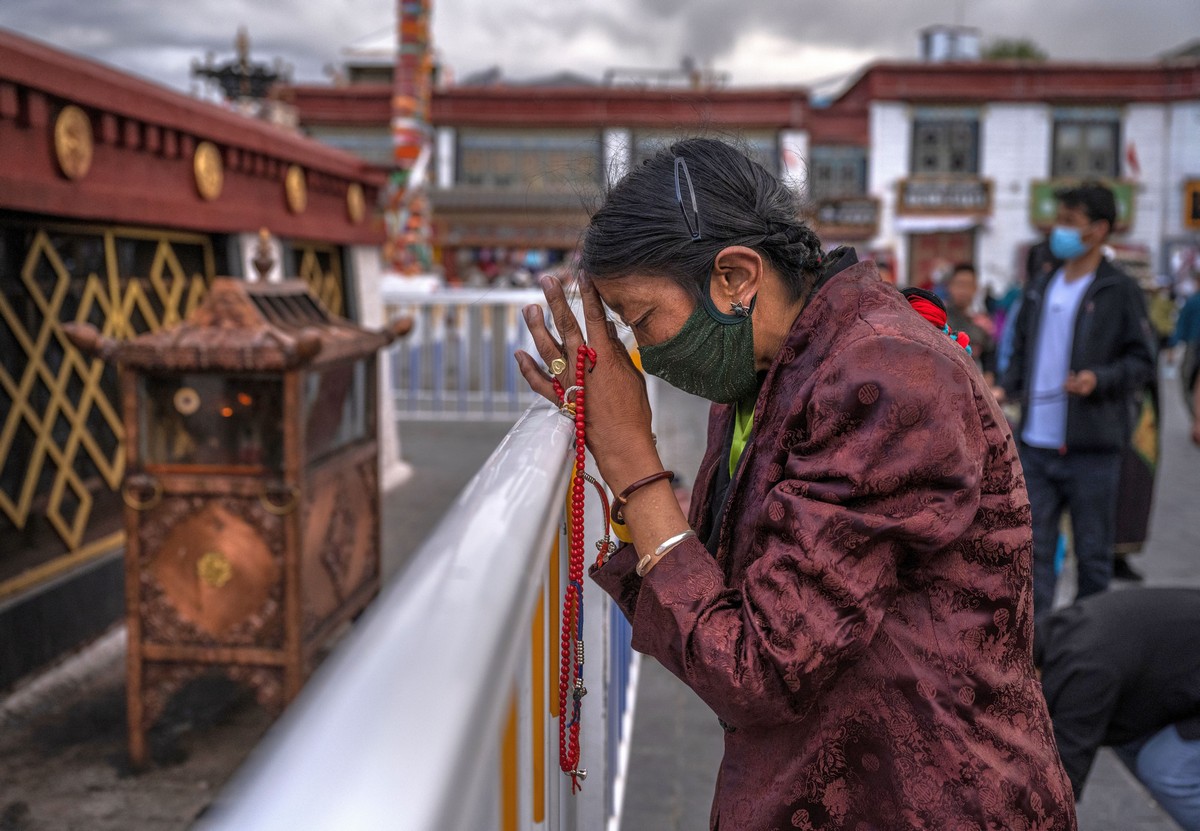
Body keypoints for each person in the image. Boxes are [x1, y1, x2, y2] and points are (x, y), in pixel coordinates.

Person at [516, 138, 1075, 830]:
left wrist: (634, 463)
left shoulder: (882, 374)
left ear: (734, 277)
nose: (641, 353)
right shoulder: (761, 376)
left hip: (932, 800)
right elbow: (724, 598)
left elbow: (759, 667)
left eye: (640, 317)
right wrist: (619, 458)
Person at [998, 181, 1155, 624]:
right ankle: (1039, 651)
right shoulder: (1043, 283)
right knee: (1034, 555)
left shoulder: (1118, 289)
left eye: (1070, 222)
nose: (1058, 231)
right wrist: (1007, 388)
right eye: (1058, 220)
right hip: (1036, 445)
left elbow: (1142, 359)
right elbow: (1024, 346)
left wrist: (1098, 379)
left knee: (1093, 557)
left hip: (1093, 449)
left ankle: (1089, 648)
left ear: (1100, 229)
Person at [1038, 589, 1200, 830]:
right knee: (1129, 741)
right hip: (1180, 673)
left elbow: (1063, 779)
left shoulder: (1085, 671)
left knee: (1165, 768)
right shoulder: (1047, 634)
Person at [944, 262, 996, 381]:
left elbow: (989, 362)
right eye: (959, 284)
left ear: (975, 288)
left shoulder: (983, 323)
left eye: (968, 285)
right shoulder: (940, 318)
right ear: (950, 286)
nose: (963, 290)